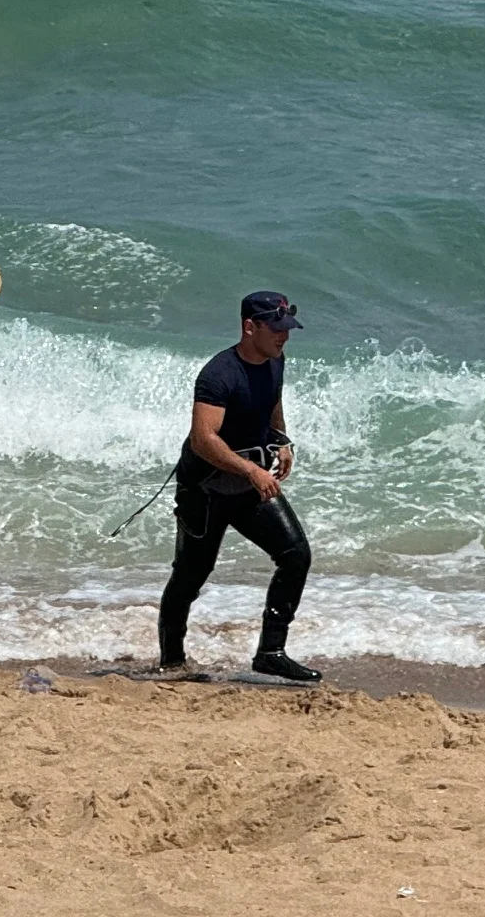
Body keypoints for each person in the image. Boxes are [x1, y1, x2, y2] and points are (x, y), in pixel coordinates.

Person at [157, 291, 318, 683]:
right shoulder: (218, 374)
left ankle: (271, 652)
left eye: (287, 329)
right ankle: (172, 662)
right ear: (251, 327)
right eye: (276, 329)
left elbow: (272, 400)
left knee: (295, 554)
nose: (285, 337)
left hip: (247, 485)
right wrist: (250, 471)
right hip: (206, 490)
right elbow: (203, 439)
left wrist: (281, 439)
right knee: (191, 576)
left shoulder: (275, 359)